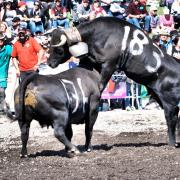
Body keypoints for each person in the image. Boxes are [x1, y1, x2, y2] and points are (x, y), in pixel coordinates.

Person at [0, 32, 13, 114]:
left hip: (2, 75)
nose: (0, 41)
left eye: (1, 39)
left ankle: (3, 110)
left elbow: (15, 55)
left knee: (1, 92)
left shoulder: (8, 48)